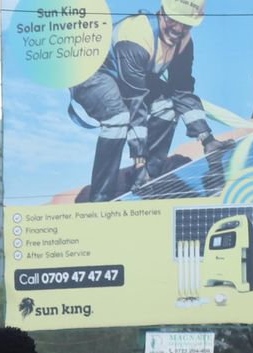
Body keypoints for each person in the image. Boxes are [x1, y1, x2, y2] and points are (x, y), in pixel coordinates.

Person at [68, 0, 220, 203]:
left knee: (168, 105)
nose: (178, 29)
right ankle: (100, 199)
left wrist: (207, 139)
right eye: (174, 20)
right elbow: (135, 102)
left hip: (130, 79)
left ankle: (151, 175)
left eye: (186, 24)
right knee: (118, 117)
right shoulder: (136, 36)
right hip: (93, 75)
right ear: (162, 11)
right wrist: (138, 160)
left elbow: (182, 90)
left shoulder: (185, 43)